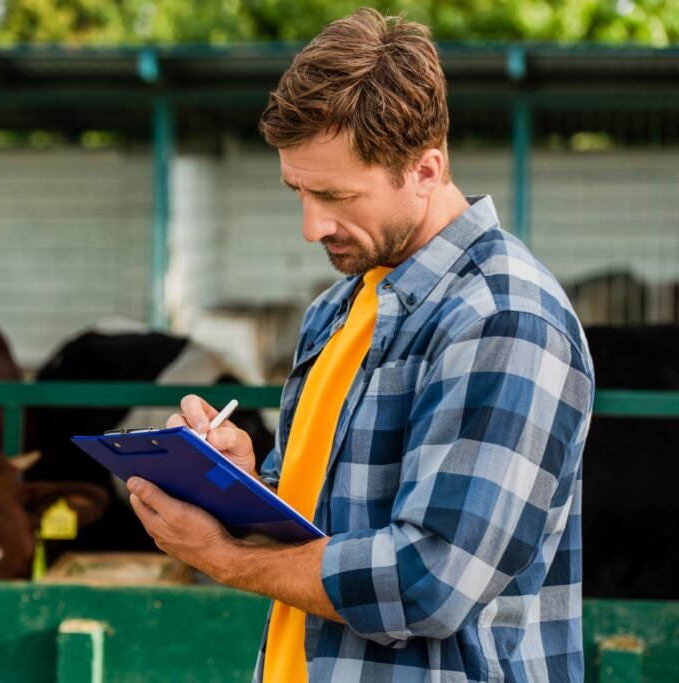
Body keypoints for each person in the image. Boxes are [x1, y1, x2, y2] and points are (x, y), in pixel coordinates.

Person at [125, 8, 594, 683]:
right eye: (299, 191)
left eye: (336, 195)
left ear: (427, 169)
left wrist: (222, 558)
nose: (312, 227)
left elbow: (428, 581)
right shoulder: (338, 309)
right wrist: (234, 483)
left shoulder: (504, 319)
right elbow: (312, 535)